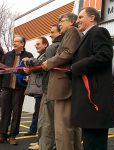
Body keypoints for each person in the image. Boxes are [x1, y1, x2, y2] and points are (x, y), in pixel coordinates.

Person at [71, 7, 114, 150]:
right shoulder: (85, 36)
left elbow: (104, 55)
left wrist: (76, 67)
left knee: (95, 143)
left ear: (92, 18)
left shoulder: (99, 31)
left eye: (80, 17)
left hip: (95, 98)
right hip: (87, 100)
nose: (77, 21)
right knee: (90, 142)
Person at [42, 13, 82, 150]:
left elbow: (68, 53)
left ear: (71, 22)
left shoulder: (72, 31)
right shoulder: (74, 33)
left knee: (63, 129)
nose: (59, 23)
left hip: (63, 87)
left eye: (62, 21)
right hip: (66, 86)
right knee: (71, 127)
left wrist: (50, 62)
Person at [0, 35, 33, 145]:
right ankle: (2, 135)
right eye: (13, 41)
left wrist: (28, 72)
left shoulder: (29, 56)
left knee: (17, 113)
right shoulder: (7, 55)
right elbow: (1, 70)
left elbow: (31, 71)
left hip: (19, 89)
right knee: (5, 112)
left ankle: (13, 136)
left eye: (16, 41)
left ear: (22, 44)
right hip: (6, 88)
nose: (14, 43)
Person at [24, 37, 49, 137]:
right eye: (35, 44)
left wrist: (28, 60)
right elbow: (37, 70)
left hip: (42, 89)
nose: (36, 46)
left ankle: (40, 136)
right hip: (38, 89)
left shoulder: (46, 55)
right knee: (37, 112)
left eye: (38, 44)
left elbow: (40, 68)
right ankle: (33, 130)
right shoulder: (40, 56)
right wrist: (29, 73)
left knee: (40, 113)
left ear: (45, 44)